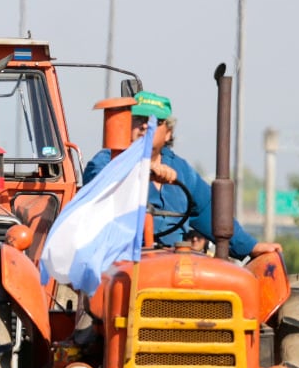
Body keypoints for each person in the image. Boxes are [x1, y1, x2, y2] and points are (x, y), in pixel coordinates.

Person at [82, 91, 280, 261]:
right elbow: (99, 184)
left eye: (154, 121)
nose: (144, 126)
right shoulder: (108, 159)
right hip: (121, 259)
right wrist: (144, 171)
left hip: (174, 261)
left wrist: (250, 247)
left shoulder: (181, 170)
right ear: (127, 125)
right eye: (139, 119)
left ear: (168, 133)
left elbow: (210, 212)